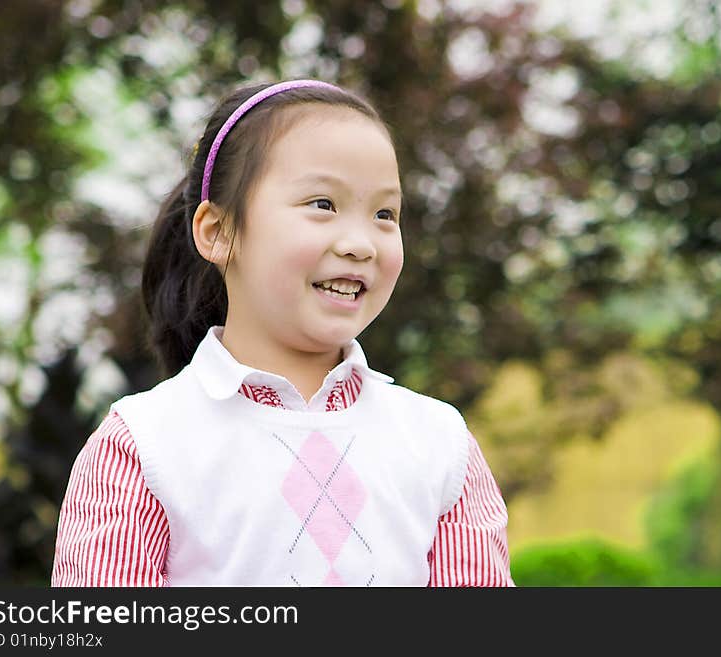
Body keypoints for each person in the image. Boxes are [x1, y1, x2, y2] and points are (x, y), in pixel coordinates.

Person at [51, 79, 515, 587]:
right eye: (323, 204)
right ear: (218, 232)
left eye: (385, 214)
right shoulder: (141, 447)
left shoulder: (439, 443)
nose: (361, 244)